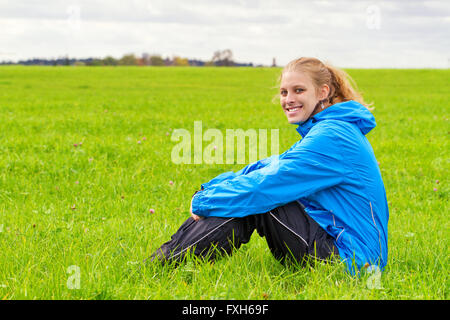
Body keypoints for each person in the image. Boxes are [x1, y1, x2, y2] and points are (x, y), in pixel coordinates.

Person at [148, 57, 389, 275]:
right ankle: (165, 261)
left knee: (258, 201)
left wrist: (204, 202)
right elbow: (270, 166)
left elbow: (266, 185)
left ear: (323, 92)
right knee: (249, 195)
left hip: (352, 263)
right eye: (284, 92)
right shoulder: (330, 130)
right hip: (345, 250)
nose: (288, 99)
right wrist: (211, 189)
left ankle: (161, 266)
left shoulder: (334, 135)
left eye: (299, 90)